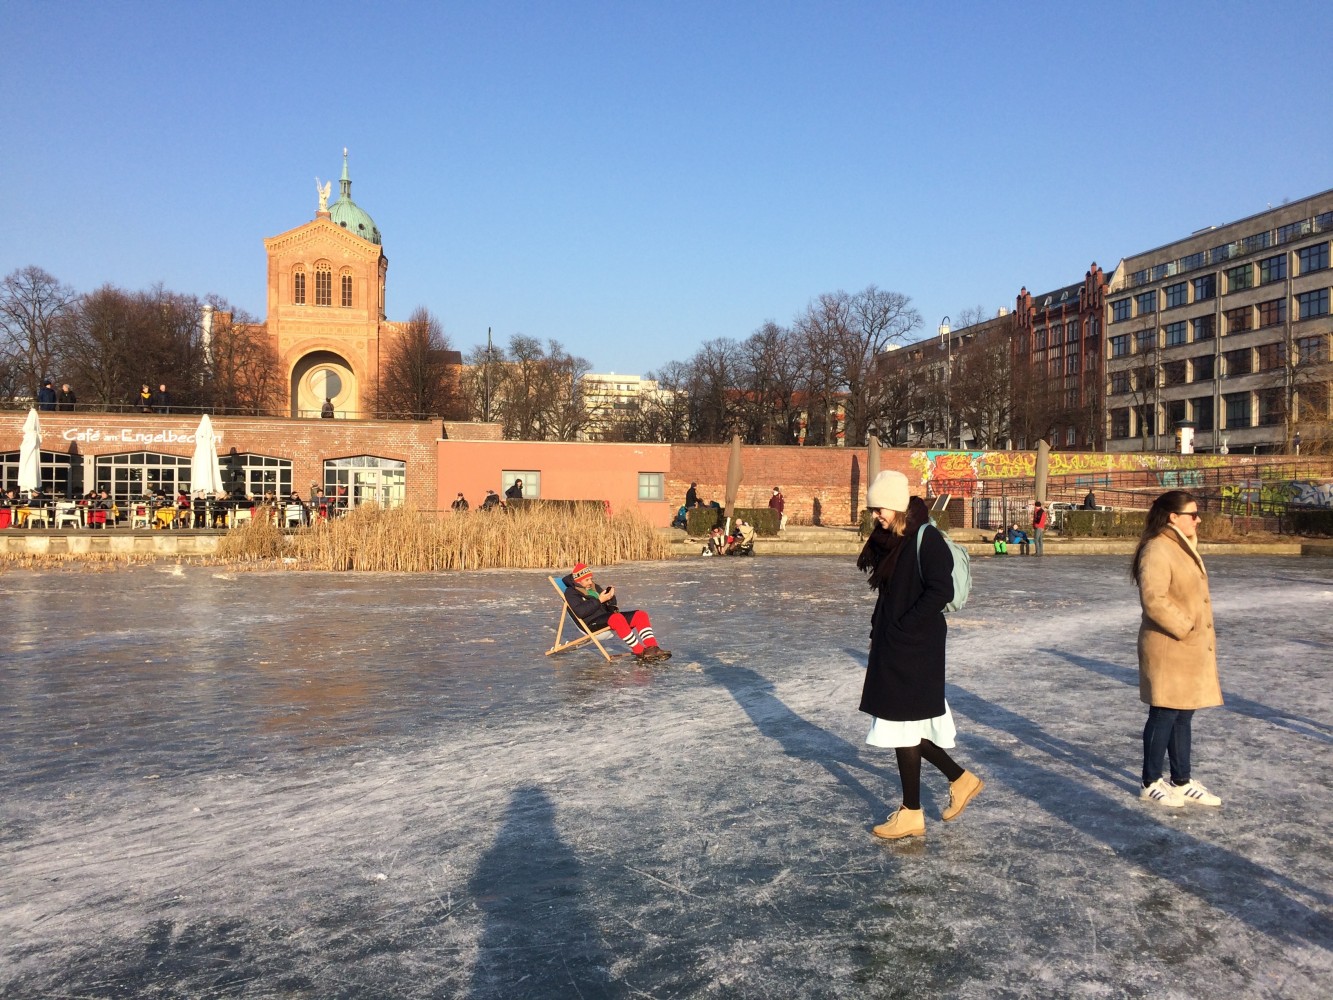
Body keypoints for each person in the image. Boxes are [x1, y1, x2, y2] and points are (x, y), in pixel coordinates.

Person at [856, 470, 983, 840]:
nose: (875, 515)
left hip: (915, 646)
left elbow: (940, 590)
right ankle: (954, 784)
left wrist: (904, 627)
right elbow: (890, 594)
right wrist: (881, 631)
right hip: (896, 644)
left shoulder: (927, 539)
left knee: (902, 726)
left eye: (879, 508)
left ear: (896, 506)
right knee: (903, 727)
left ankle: (918, 808)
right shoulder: (893, 539)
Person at [1132, 490, 1223, 808]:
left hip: (1187, 648)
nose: (1198, 520)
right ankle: (1150, 782)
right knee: (1164, 712)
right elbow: (1153, 599)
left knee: (1183, 713)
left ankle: (1181, 781)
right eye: (1193, 514)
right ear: (1173, 517)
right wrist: (1185, 626)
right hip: (1168, 645)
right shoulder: (1158, 548)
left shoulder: (1183, 547)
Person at [561, 562, 670, 662]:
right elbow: (580, 612)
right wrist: (599, 600)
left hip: (606, 617)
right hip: (591, 623)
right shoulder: (571, 592)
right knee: (616, 618)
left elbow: (611, 608)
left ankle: (652, 648)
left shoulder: (594, 587)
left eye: (591, 578)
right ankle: (640, 651)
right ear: (578, 581)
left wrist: (611, 598)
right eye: (587, 580)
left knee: (640, 615)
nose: (590, 582)